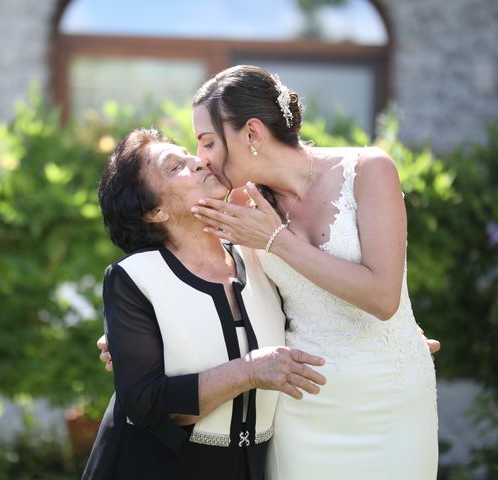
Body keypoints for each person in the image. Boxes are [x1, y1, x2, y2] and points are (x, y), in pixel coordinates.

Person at [186, 65, 439, 479]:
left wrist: (276, 240)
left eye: (209, 142)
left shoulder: (368, 170)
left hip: (391, 399)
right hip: (303, 403)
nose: (202, 158)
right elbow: (206, 278)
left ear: (251, 133)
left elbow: (383, 298)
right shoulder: (242, 210)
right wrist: (140, 327)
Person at [82, 128, 327, 480]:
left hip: (255, 466)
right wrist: (250, 370)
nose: (198, 162)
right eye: (174, 167)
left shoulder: (261, 256)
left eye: (189, 153)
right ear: (154, 212)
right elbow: (145, 403)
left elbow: (310, 324)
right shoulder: (134, 277)